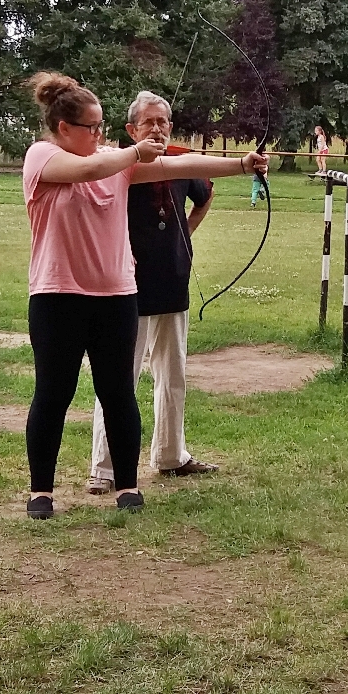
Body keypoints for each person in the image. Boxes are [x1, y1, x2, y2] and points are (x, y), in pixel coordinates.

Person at [22, 72, 268, 520]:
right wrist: (135, 152)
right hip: (57, 295)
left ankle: (127, 485)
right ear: (63, 128)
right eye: (91, 127)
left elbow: (179, 166)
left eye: (101, 126)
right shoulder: (43, 156)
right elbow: (87, 171)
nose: (99, 134)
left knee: (118, 393)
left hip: (116, 296)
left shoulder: (114, 160)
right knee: (53, 394)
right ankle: (41, 492)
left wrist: (241, 165)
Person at [88, 92, 218, 495]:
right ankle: (105, 469)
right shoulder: (120, 165)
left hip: (173, 280)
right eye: (149, 122)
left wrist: (185, 235)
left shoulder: (180, 163)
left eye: (163, 122)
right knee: (118, 379)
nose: (157, 129)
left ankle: (170, 455)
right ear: (132, 130)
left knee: (173, 374)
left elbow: (206, 195)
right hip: (128, 284)